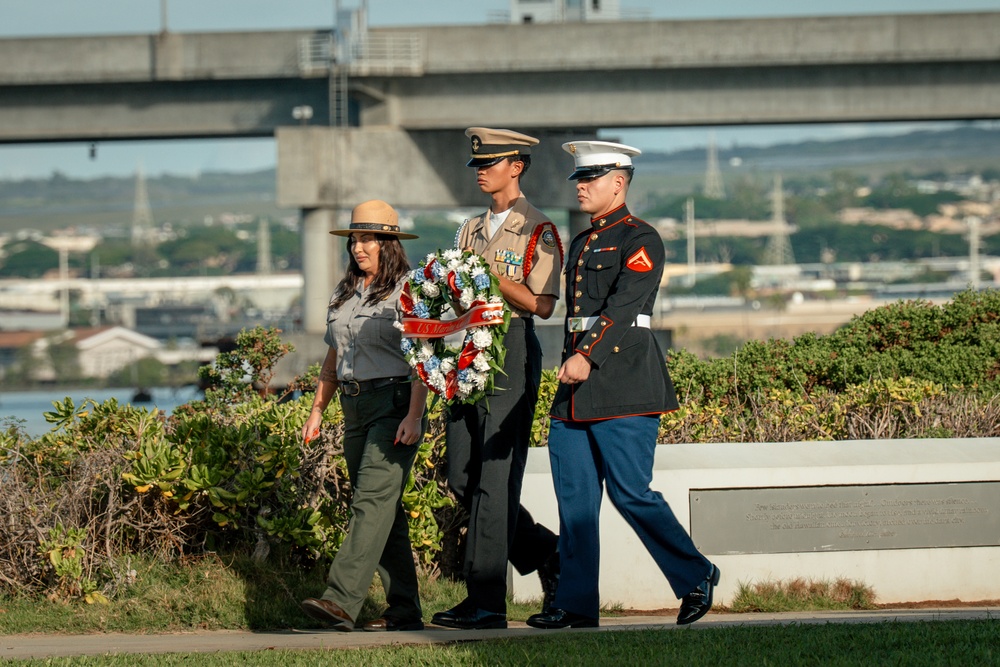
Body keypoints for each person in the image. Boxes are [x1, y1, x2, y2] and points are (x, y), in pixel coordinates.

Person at [526, 141, 719, 630]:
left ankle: (696, 574)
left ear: (620, 181)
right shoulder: (587, 239)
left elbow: (626, 306)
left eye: (591, 178)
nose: (582, 186)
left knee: (632, 493)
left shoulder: (641, 238)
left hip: (624, 383)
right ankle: (575, 606)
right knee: (575, 502)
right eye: (579, 178)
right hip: (576, 387)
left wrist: (587, 355)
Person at [431, 128, 564, 630]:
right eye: (477, 164)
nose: (481, 170)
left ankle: (485, 600)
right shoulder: (468, 229)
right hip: (467, 348)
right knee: (462, 476)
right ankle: (550, 554)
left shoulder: (538, 230)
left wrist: (495, 282)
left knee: (495, 478)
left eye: (491, 162)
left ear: (518, 166)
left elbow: (543, 305)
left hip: (510, 349)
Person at [299, 200, 428, 633]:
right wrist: (318, 410)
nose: (358, 247)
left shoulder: (409, 291)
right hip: (353, 407)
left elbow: (421, 360)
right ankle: (405, 609)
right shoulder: (343, 293)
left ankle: (340, 600)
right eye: (354, 239)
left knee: (370, 502)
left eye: (368, 239)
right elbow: (333, 358)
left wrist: (414, 415)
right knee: (383, 510)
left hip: (393, 405)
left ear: (388, 243)